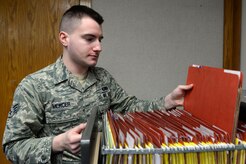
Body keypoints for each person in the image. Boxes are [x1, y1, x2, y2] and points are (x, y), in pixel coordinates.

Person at [2, 5, 193, 163]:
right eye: (89, 39)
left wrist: (167, 101)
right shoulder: (34, 85)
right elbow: (13, 146)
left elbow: (129, 109)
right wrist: (58, 142)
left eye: (100, 39)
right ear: (64, 38)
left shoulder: (103, 78)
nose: (98, 47)